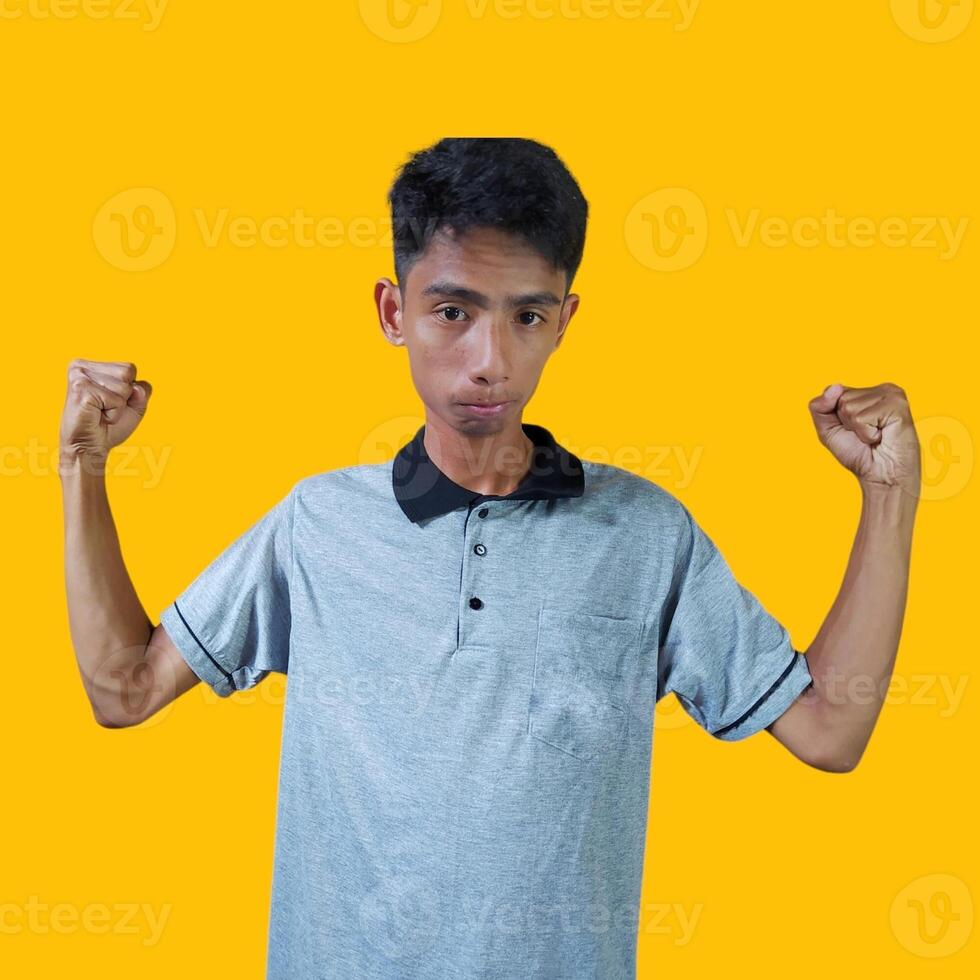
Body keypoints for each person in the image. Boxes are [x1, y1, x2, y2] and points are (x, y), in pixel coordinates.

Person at [59, 137, 921, 979]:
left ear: (565, 320)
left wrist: (890, 496)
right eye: (453, 311)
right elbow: (124, 688)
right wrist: (81, 468)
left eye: (528, 315)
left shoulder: (647, 534)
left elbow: (830, 730)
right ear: (394, 314)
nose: (490, 361)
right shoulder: (317, 524)